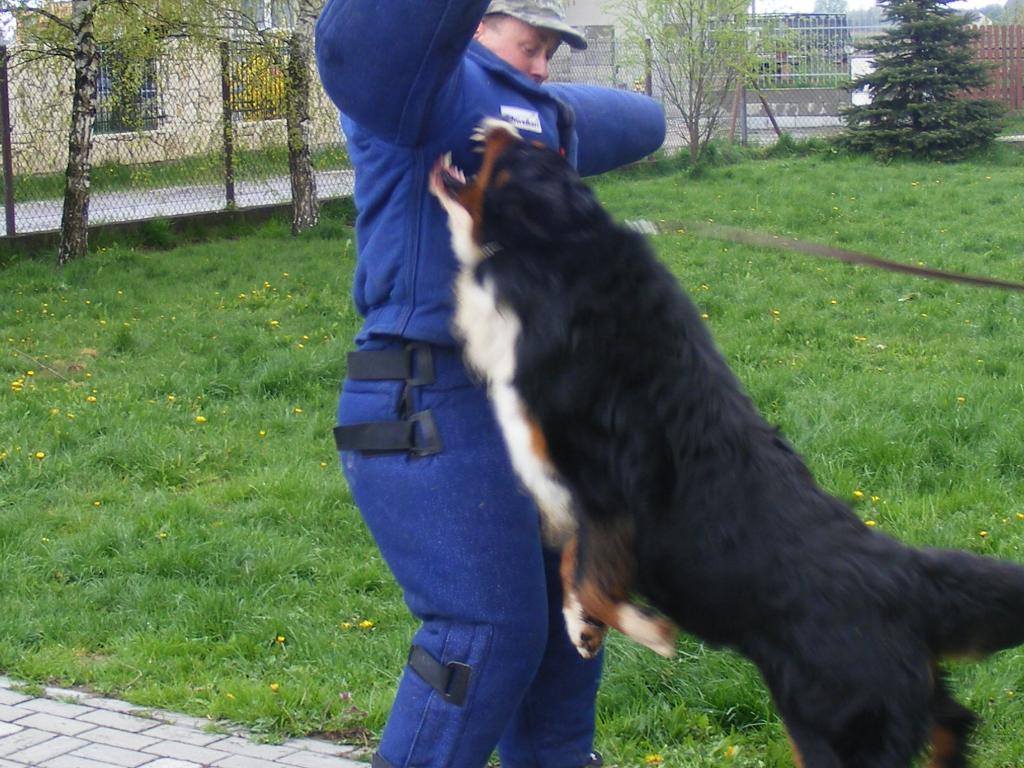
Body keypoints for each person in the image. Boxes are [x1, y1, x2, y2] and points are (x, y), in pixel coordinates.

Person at [315, 2, 665, 766]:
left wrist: (539, 117)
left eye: (550, 54)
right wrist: (490, 102)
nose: (541, 64)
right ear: (473, 25)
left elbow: (647, 120)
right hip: (422, 399)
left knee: (577, 613)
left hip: (530, 404)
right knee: (486, 634)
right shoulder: (416, 93)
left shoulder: (535, 111)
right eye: (527, 45)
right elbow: (354, 42)